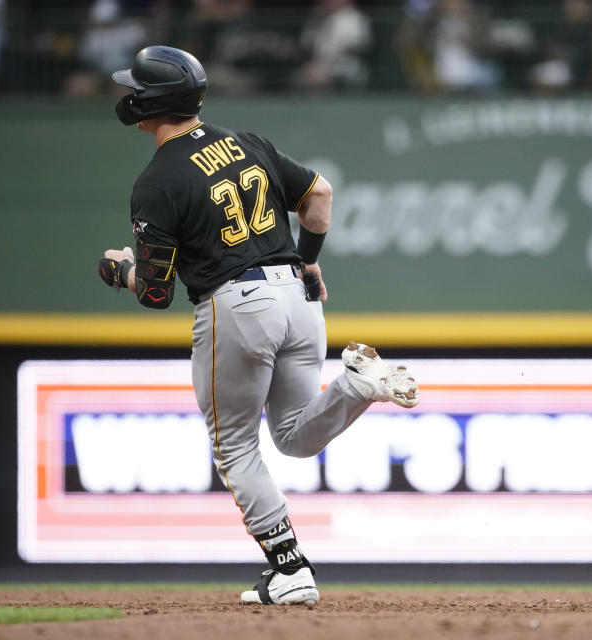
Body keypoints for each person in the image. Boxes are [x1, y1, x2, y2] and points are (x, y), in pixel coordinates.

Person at [97, 45, 419, 606]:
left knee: (235, 445)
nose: (128, 95)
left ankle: (290, 568)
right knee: (292, 436)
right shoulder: (245, 142)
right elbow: (318, 195)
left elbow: (155, 292)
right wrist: (309, 257)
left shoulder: (158, 180)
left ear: (151, 101)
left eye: (135, 88)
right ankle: (356, 386)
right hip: (299, 296)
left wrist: (121, 270)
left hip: (237, 304)